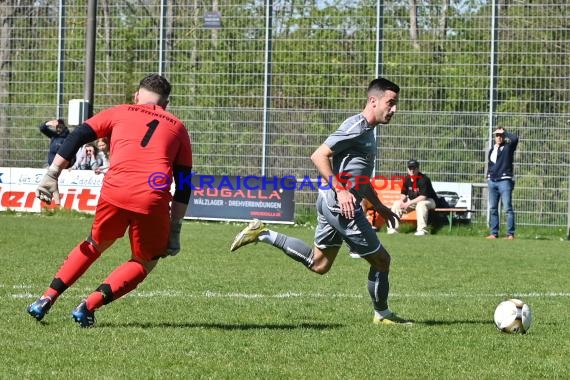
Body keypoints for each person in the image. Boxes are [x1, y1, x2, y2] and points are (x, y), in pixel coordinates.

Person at [230, 77, 411, 325]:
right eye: (390, 103)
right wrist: (342, 191)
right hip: (340, 206)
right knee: (382, 261)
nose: (394, 109)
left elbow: (358, 178)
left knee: (319, 264)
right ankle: (382, 314)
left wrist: (379, 206)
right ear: (373, 100)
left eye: (396, 104)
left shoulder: (368, 131)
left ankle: (262, 234)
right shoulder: (356, 127)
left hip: (332, 202)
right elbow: (319, 155)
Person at [27, 74, 193, 327]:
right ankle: (88, 306)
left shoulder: (119, 111)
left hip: (115, 191)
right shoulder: (178, 127)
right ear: (166, 104)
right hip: (152, 198)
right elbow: (184, 185)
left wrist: (52, 173)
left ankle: (45, 299)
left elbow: (79, 134)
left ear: (137, 97)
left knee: (94, 244)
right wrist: (176, 228)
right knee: (144, 261)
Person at [387, 159, 438, 236]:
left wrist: (408, 203)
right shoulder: (406, 179)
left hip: (429, 200)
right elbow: (403, 194)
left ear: (418, 169)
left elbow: (423, 197)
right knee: (396, 204)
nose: (412, 170)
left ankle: (422, 230)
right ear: (407, 169)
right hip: (413, 201)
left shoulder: (424, 179)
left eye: (414, 168)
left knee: (421, 204)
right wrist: (402, 201)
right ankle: (393, 229)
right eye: (410, 168)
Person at [486, 127, 519, 240]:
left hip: (505, 181)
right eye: (497, 135)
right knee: (493, 208)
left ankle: (510, 234)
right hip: (492, 181)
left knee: (507, 208)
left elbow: (515, 139)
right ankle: (494, 233)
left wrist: (505, 132)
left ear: (504, 136)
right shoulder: (492, 149)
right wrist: (488, 177)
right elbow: (491, 164)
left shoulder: (508, 147)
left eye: (501, 135)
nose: (499, 137)